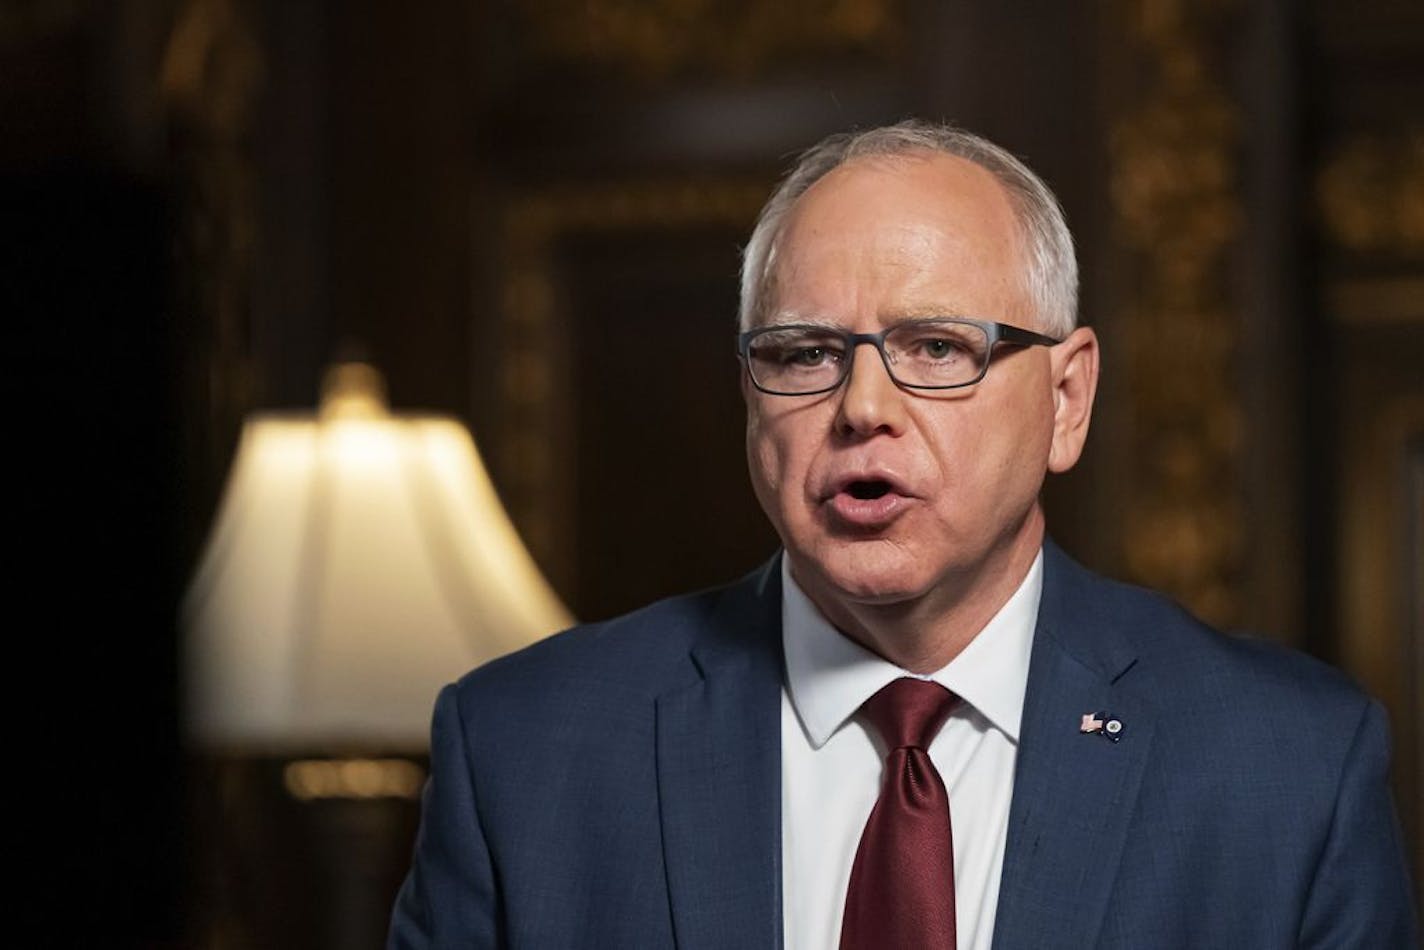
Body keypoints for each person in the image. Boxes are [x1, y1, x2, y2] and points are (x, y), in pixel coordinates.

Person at [387, 120, 1417, 948]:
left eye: (934, 346)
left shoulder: (1286, 766)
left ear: (1066, 399)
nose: (860, 407)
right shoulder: (523, 753)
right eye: (800, 354)